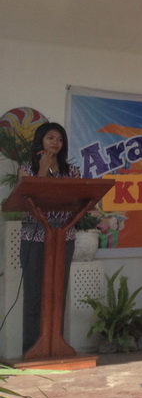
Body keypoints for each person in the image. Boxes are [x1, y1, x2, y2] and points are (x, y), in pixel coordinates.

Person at [18, 122, 81, 354]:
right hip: (35, 236)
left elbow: (78, 199)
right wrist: (43, 168)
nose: (56, 142)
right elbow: (32, 196)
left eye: (60, 139)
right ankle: (31, 350)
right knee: (34, 295)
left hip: (64, 236)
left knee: (57, 295)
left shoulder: (71, 172)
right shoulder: (26, 169)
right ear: (40, 141)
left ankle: (55, 348)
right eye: (50, 138)